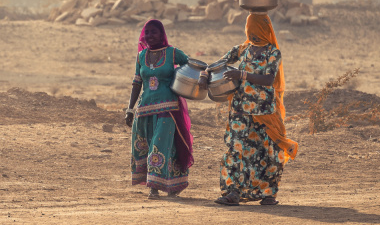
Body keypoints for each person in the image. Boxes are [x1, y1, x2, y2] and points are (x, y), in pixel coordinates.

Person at [211, 12, 299, 206]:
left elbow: (268, 79)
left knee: (267, 152)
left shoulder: (273, 53)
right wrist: (204, 73)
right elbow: (220, 63)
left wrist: (241, 74)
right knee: (236, 150)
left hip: (264, 112)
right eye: (250, 30)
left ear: (265, 30)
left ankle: (268, 194)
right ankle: (233, 192)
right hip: (240, 111)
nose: (253, 34)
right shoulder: (242, 49)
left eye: (256, 30)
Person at [124, 19, 195, 199]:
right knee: (146, 147)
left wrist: (202, 78)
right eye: (147, 32)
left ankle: (154, 188)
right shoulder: (141, 57)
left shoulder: (172, 53)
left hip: (168, 109)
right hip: (144, 110)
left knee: (161, 146)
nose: (149, 36)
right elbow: (137, 83)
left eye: (154, 32)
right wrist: (130, 109)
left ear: (161, 34)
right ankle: (168, 185)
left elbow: (192, 66)